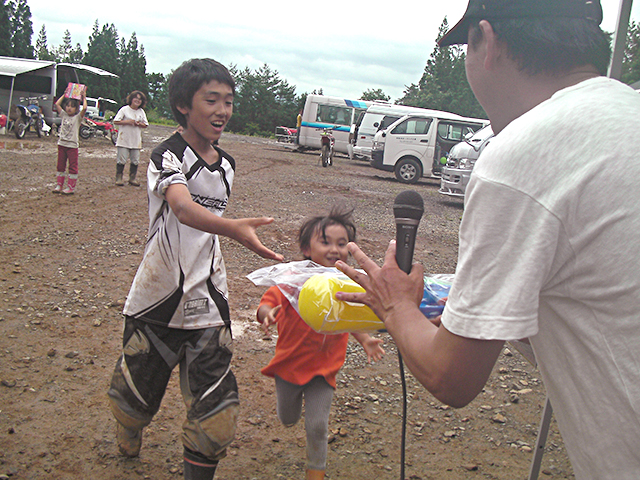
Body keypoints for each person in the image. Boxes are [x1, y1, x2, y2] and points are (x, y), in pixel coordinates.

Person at [334, 1, 640, 479]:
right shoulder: (625, 118)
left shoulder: (523, 155)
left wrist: (396, 307)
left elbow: (451, 377)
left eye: (466, 48)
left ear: (488, 40)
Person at [107, 58, 284, 480]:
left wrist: (228, 232)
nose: (223, 110)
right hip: (157, 297)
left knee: (216, 414)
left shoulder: (227, 165)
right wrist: (234, 229)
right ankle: (128, 432)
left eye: (229, 101)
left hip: (209, 298)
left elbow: (203, 221)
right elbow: (183, 209)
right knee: (135, 401)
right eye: (212, 100)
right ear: (185, 104)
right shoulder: (165, 155)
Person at [257, 207, 385, 480]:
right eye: (325, 242)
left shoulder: (346, 283)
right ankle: (290, 410)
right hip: (289, 366)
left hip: (325, 369)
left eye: (341, 244)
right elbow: (269, 300)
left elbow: (350, 316)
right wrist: (266, 314)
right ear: (306, 247)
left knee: (317, 426)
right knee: (288, 418)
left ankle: (315, 472)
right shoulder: (293, 280)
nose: (334, 249)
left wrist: (365, 339)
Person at [52, 92, 87, 195]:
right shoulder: (63, 115)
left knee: (72, 166)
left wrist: (83, 97)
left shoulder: (77, 118)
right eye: (67, 105)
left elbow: (84, 109)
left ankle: (71, 187)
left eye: (72, 106)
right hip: (62, 144)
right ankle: (59, 185)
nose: (69, 108)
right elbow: (57, 104)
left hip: (72, 146)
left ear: (76, 109)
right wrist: (64, 94)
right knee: (60, 165)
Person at [113, 90, 149, 186]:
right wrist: (127, 122)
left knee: (135, 160)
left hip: (136, 140)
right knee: (122, 159)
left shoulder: (141, 111)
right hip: (124, 139)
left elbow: (145, 124)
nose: (137, 100)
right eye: (135, 98)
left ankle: (132, 178)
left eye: (140, 99)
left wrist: (138, 124)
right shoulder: (124, 109)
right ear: (131, 99)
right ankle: (119, 178)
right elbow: (116, 121)